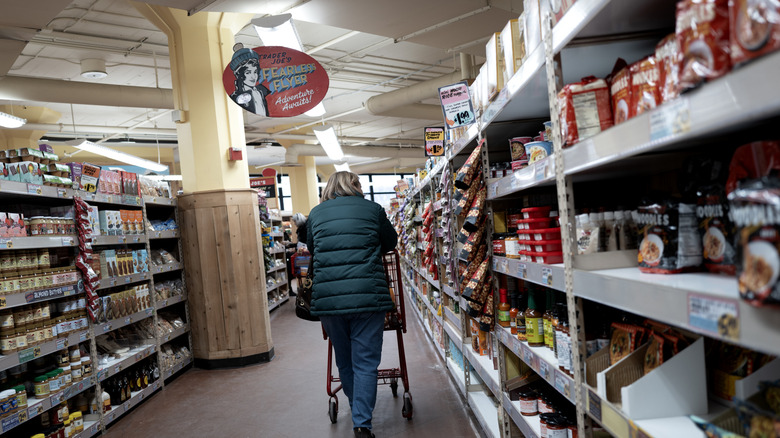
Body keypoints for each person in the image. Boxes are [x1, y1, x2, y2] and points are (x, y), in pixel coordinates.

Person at [306, 172, 398, 438]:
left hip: (329, 299)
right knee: (366, 362)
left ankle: (356, 403)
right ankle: (362, 423)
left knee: (344, 360)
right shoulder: (373, 209)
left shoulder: (316, 213)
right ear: (355, 186)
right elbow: (390, 242)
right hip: (368, 296)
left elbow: (313, 247)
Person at [228, 47, 271, 116]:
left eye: (255, 72)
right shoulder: (235, 97)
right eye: (248, 73)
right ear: (239, 75)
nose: (253, 76)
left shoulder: (262, 91)